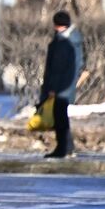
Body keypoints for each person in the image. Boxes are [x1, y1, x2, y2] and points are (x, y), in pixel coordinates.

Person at [40, 11, 79, 158]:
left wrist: (53, 89)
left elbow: (57, 69)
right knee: (61, 119)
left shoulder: (63, 44)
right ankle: (66, 147)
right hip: (62, 88)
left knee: (60, 119)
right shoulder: (65, 41)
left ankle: (63, 148)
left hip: (59, 89)